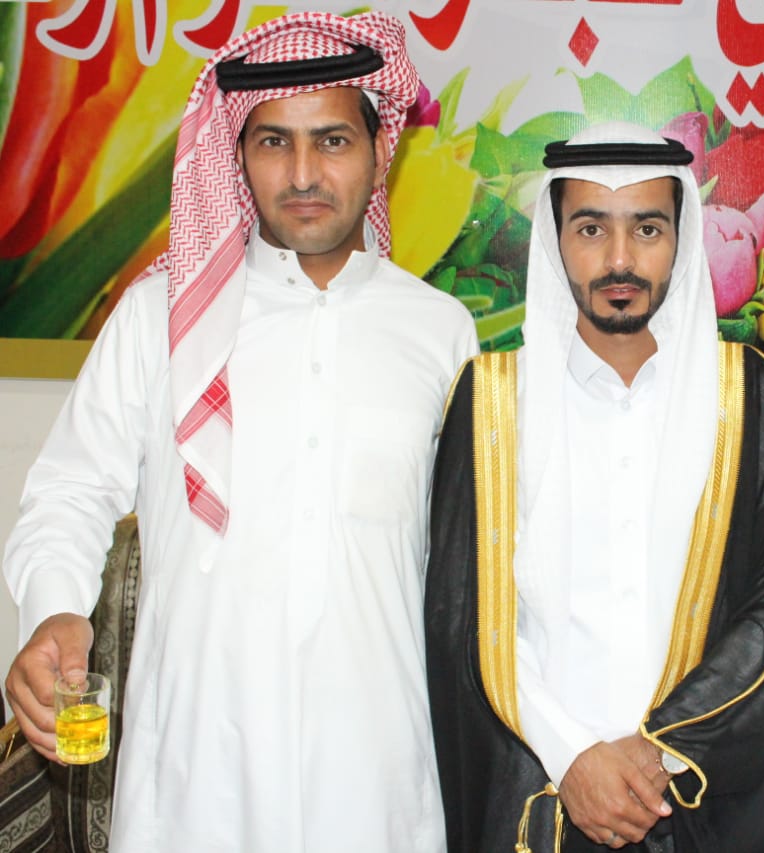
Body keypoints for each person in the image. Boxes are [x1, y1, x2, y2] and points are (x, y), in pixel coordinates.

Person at [3, 11, 477, 852]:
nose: (303, 173)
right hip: (194, 781)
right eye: (273, 142)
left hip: (375, 784)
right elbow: (70, 489)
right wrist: (54, 610)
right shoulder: (159, 317)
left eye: (333, 141)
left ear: (381, 151)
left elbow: (470, 560)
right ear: (238, 154)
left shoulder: (440, 332)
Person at [424, 122, 764, 852]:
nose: (619, 259)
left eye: (647, 228)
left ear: (681, 239)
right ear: (555, 240)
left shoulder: (751, 400)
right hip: (543, 802)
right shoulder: (490, 402)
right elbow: (462, 612)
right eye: (590, 228)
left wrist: (662, 749)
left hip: (691, 805)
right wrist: (573, 757)